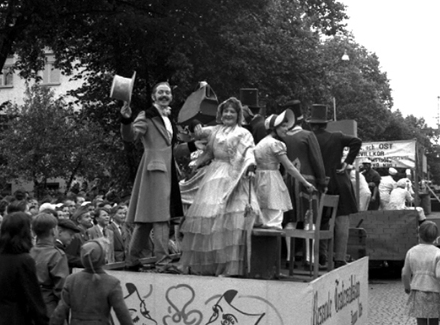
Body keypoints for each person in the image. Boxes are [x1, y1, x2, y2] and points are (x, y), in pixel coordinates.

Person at [179, 97, 259, 276]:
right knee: (209, 217)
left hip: (234, 175)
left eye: (232, 111)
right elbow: (198, 134)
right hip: (214, 176)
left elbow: (249, 151)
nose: (228, 114)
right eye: (226, 111)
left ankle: (231, 266)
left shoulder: (243, 133)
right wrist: (195, 123)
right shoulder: (215, 130)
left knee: (232, 220)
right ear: (220, 114)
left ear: (238, 115)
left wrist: (251, 165)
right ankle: (208, 265)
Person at [120, 81, 183, 267]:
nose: (164, 95)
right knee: (161, 217)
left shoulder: (168, 119)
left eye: (167, 93)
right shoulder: (147, 115)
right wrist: (126, 120)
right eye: (160, 92)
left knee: (146, 219)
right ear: (153, 96)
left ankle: (131, 260)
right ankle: (162, 261)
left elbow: (172, 149)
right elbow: (130, 136)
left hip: (167, 170)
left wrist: (195, 145)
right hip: (154, 169)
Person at [308, 104, 362, 268]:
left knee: (320, 220)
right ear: (326, 123)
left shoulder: (308, 138)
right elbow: (356, 141)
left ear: (311, 124)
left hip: (317, 182)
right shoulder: (337, 136)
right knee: (342, 219)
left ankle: (321, 255)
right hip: (339, 181)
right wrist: (347, 162)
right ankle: (339, 257)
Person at [280, 100, 326, 265]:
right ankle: (309, 258)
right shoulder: (308, 135)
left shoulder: (282, 137)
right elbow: (317, 161)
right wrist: (322, 181)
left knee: (290, 220)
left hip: (287, 181)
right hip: (308, 181)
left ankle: (289, 257)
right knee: (309, 220)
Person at [253, 111, 317, 229]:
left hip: (259, 181)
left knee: (263, 219)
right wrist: (305, 182)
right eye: (283, 126)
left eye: (286, 126)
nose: (286, 129)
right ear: (274, 128)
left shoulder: (261, 144)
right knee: (274, 219)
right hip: (272, 181)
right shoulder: (275, 144)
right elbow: (290, 167)